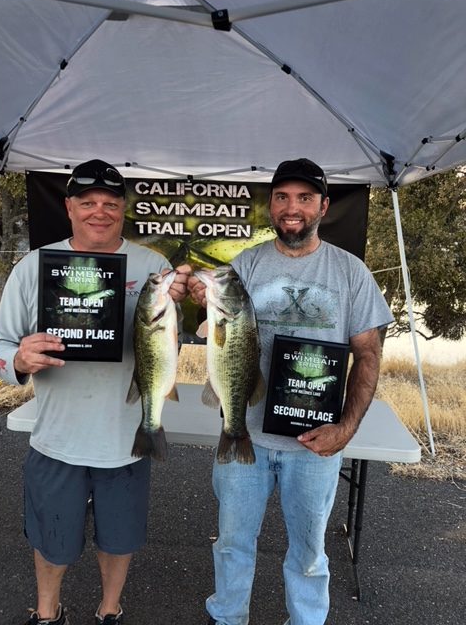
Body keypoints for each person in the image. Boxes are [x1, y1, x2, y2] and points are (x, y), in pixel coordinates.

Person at [188, 158, 394, 625]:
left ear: (323, 205)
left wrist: (345, 429)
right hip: (246, 436)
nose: (291, 208)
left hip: (313, 444)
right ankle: (227, 617)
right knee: (233, 542)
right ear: (271, 205)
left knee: (308, 552)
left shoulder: (350, 272)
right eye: (282, 197)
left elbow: (368, 355)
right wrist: (205, 296)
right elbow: (214, 321)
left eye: (304, 198)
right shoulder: (247, 264)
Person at [0, 159, 190, 625]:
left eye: (110, 203)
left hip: (126, 439)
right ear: (69, 206)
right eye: (88, 202)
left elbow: (171, 346)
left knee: (120, 539)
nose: (99, 211)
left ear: (123, 209)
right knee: (51, 538)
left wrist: (180, 312)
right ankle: (46, 611)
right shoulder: (35, 266)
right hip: (58, 438)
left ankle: (109, 609)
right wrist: (18, 360)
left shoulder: (153, 267)